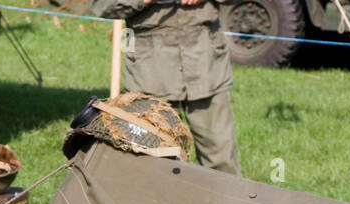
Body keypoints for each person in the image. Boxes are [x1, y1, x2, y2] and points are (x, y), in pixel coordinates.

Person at [90, 0, 241, 174]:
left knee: (222, 163)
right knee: (154, 165)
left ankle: (220, 200)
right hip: (150, 73)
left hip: (206, 64)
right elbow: (102, 5)